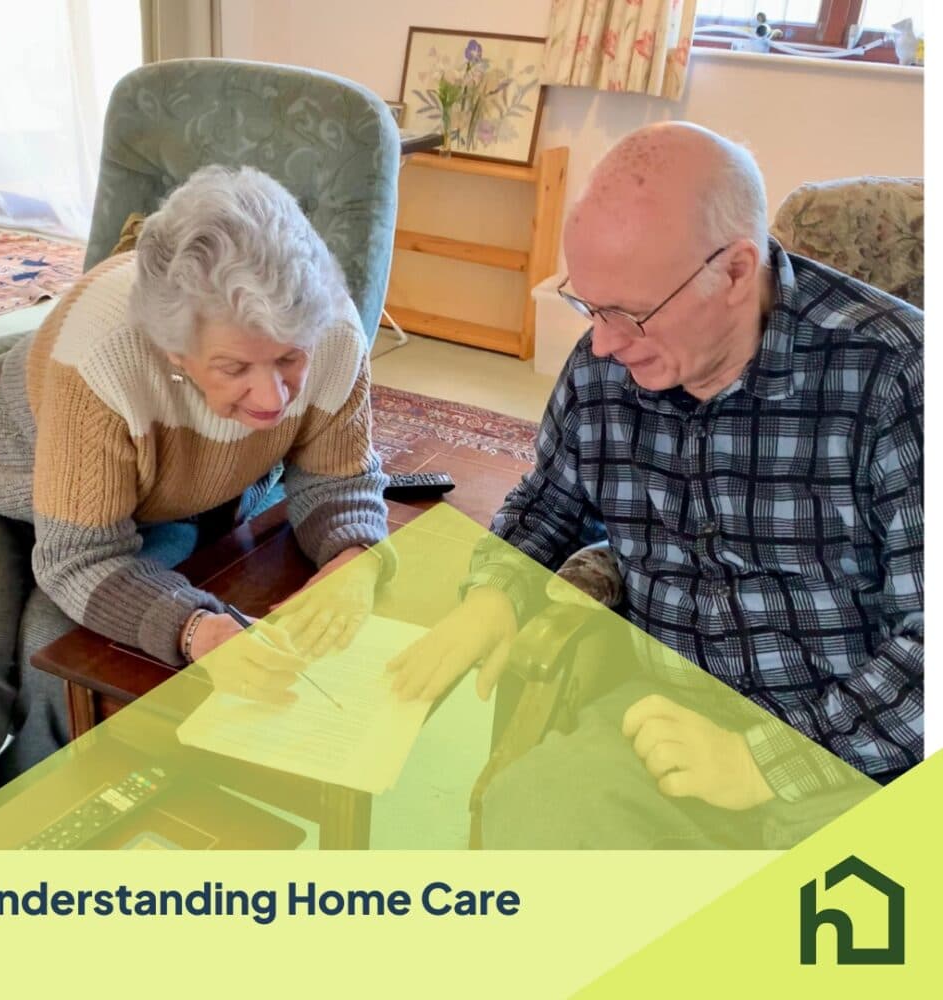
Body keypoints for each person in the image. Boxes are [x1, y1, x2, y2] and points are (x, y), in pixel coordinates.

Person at [387, 122, 923, 847]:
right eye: (589, 305)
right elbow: (548, 504)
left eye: (630, 313)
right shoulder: (606, 361)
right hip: (659, 731)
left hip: (855, 760)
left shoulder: (897, 377)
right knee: (528, 818)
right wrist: (495, 591)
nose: (603, 343)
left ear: (735, 272)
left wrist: (766, 760)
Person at [0, 164, 391, 809]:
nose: (272, 397)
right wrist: (198, 628)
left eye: (289, 358)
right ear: (172, 350)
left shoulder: (329, 331)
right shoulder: (102, 353)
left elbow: (337, 479)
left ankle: (40, 833)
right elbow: (76, 556)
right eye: (235, 367)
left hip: (143, 510)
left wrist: (355, 556)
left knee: (57, 662)